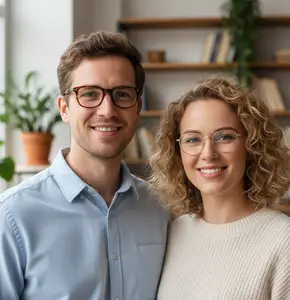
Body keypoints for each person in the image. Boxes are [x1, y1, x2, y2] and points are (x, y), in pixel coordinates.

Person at [0, 31, 169, 300]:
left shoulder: (161, 210)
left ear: (137, 108)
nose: (107, 110)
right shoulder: (12, 217)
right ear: (64, 108)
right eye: (89, 94)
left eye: (122, 95)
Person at [149, 75, 290, 299]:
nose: (208, 153)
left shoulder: (286, 241)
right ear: (177, 152)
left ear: (251, 145)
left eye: (224, 137)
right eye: (193, 139)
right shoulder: (172, 233)